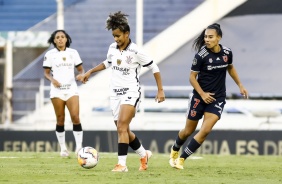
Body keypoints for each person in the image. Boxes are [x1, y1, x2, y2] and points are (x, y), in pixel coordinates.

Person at [80, 11, 165, 172]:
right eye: (114, 35)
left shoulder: (137, 51)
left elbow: (154, 67)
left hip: (131, 91)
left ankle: (122, 165)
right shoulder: (112, 48)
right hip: (115, 93)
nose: (116, 39)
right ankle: (143, 154)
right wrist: (90, 72)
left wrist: (160, 90)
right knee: (123, 129)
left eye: (118, 35)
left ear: (127, 34)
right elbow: (108, 63)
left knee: (121, 127)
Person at [169, 23, 248, 169]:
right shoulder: (201, 56)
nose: (207, 39)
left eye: (210, 37)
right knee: (188, 131)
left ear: (219, 38)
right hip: (199, 97)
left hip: (217, 98)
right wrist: (202, 94)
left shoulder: (227, 53)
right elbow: (192, 78)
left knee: (205, 130)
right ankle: (175, 148)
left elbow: (230, 67)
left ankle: (181, 159)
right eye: (205, 36)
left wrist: (240, 85)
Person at [43, 30, 85, 157]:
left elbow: (80, 69)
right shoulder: (50, 54)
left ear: (67, 39)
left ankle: (79, 148)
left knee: (75, 117)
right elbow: (46, 73)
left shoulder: (73, 53)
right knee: (60, 119)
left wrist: (81, 74)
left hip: (71, 89)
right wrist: (52, 79)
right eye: (57, 37)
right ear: (54, 40)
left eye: (63, 37)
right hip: (57, 91)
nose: (60, 39)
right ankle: (63, 149)